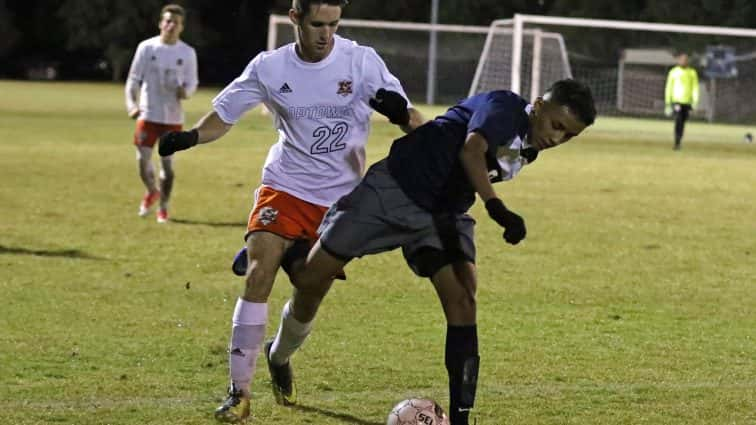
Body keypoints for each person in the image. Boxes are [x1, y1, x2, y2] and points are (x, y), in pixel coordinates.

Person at [267, 79, 596, 425]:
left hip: (442, 214)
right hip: (395, 188)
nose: (557, 138)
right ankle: (278, 350)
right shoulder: (505, 109)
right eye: (557, 126)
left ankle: (461, 418)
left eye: (569, 136)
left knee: (464, 299)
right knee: (308, 280)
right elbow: (471, 149)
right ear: (539, 106)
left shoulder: (530, 145)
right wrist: (497, 208)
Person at [157, 0, 424, 422]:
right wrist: (191, 137)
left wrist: (401, 113)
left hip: (338, 203)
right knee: (260, 272)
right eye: (318, 24)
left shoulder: (361, 62)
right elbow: (224, 115)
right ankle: (239, 394)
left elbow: (414, 121)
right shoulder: (270, 67)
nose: (326, 34)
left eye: (334, 24)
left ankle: (278, 356)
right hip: (284, 186)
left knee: (307, 290)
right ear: (295, 19)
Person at [125, 4, 198, 223]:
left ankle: (163, 207)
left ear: (181, 27)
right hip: (148, 113)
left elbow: (192, 83)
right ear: (160, 23)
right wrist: (131, 104)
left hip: (172, 118)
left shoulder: (187, 53)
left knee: (167, 165)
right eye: (167, 21)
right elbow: (133, 79)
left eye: (175, 22)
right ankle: (151, 191)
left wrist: (185, 92)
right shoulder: (147, 48)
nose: (170, 25)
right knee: (142, 161)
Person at [664, 53, 699, 151]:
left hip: (687, 102)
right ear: (678, 61)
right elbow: (669, 87)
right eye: (682, 60)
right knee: (678, 120)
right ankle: (676, 142)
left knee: (682, 122)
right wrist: (668, 102)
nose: (683, 61)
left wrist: (695, 102)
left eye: (685, 60)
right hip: (677, 101)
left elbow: (695, 88)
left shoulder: (692, 73)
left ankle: (679, 141)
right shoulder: (673, 72)